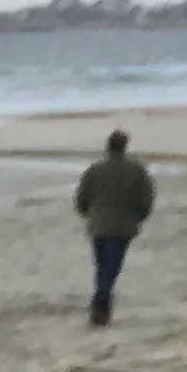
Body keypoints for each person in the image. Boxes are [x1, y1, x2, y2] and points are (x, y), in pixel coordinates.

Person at [75, 128, 156, 324]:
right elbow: (146, 199)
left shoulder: (94, 170)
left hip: (98, 225)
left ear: (107, 146)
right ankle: (100, 305)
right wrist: (139, 217)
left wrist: (89, 215)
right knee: (111, 267)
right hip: (123, 226)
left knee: (102, 266)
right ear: (125, 146)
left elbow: (81, 198)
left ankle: (101, 307)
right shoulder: (137, 170)